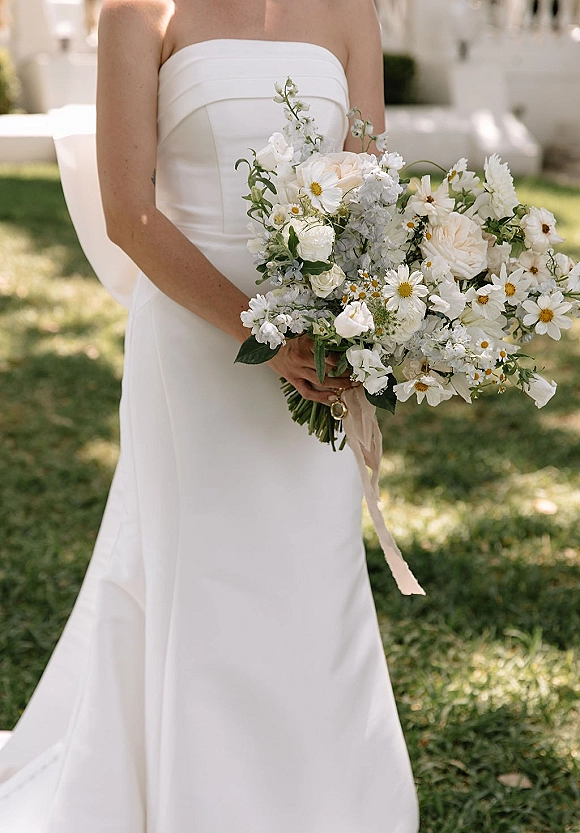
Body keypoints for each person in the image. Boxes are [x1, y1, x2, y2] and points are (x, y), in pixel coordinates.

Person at [0, 1, 420, 830]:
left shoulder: (350, 14)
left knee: (314, 565)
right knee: (204, 569)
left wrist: (352, 325)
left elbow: (371, 191)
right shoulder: (139, 14)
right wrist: (262, 333)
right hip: (195, 348)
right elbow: (130, 212)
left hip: (319, 341)